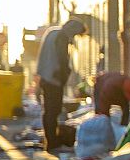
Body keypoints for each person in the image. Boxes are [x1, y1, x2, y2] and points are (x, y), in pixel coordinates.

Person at [35, 17, 89, 152]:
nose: (74, 38)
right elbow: (61, 59)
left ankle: (51, 141)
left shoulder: (53, 32)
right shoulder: (61, 37)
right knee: (53, 111)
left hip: (46, 77)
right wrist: (66, 72)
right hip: (53, 79)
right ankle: (52, 142)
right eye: (76, 34)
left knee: (49, 111)